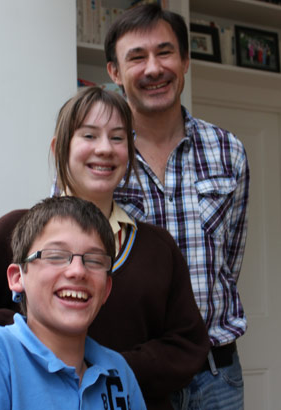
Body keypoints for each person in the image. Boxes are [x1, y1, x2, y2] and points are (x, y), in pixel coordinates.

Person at [0, 86, 209, 409]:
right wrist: (45, 338)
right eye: (89, 136)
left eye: (118, 138)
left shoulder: (158, 247)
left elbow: (187, 345)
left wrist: (102, 363)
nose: (104, 149)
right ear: (59, 148)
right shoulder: (15, 231)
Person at [104, 4, 250, 409]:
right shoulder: (98, 155)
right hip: (129, 372)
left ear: (185, 61)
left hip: (216, 374)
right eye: (136, 57)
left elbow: (230, 261)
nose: (154, 68)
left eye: (165, 52)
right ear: (115, 72)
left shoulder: (228, 151)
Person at [0, 196, 146, 410]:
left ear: (106, 290)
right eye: (55, 255)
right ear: (17, 278)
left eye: (94, 261)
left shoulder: (119, 373)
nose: (78, 271)